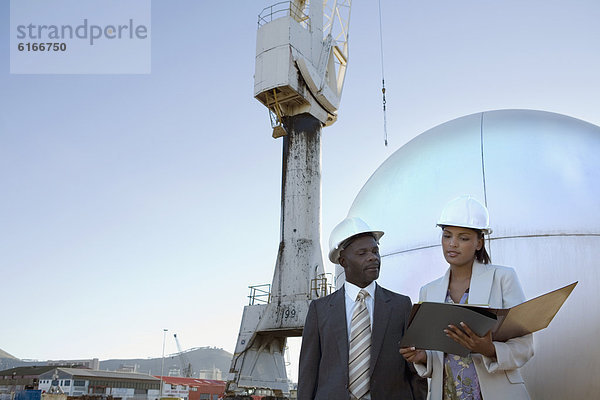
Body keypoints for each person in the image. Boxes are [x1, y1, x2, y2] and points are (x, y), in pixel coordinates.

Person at [400, 195, 534, 400]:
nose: (453, 244)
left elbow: (525, 345)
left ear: (479, 242)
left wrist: (489, 349)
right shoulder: (429, 291)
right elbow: (440, 353)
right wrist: (423, 357)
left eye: (463, 238)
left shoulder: (503, 278)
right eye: (447, 236)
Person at [298, 216, 427, 400]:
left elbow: (414, 370)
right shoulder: (320, 310)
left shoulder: (401, 306)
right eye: (362, 253)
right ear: (343, 261)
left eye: (375, 251)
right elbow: (308, 373)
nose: (372, 258)